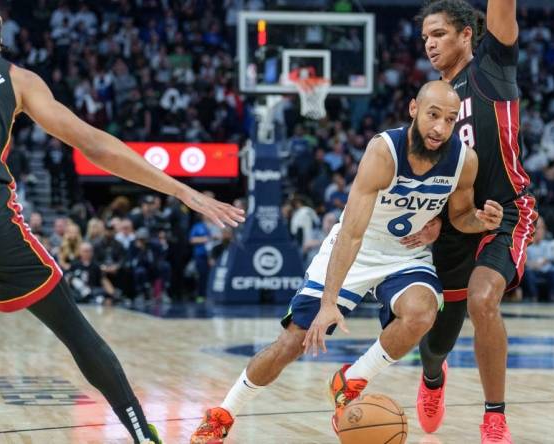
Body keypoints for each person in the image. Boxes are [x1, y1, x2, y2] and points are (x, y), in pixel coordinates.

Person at [0, 2, 244, 443]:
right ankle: (141, 434)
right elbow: (93, 144)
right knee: (74, 330)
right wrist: (182, 191)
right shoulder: (17, 77)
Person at [190, 81, 504, 443]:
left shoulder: (464, 159)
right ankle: (223, 414)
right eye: (433, 115)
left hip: (404, 254)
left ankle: (350, 380)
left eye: (450, 120)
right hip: (356, 248)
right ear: (414, 109)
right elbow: (352, 232)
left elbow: (461, 215)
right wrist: (328, 304)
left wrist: (481, 221)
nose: (440, 128)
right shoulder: (384, 151)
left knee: (420, 314)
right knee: (291, 344)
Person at [413, 2, 538, 442]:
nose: (430, 43)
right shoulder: (431, 105)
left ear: (467, 35)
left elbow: (502, 9)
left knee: (484, 300)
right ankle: (432, 378)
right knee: (435, 343)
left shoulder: (491, 67)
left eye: (440, 33)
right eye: (426, 36)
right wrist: (428, 220)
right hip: (452, 226)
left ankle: (494, 417)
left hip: (505, 212)